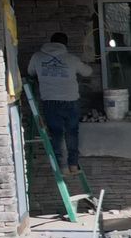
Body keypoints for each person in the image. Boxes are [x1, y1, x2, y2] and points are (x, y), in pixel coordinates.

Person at [25, 32, 92, 172]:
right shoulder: (71, 59)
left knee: (56, 133)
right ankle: (73, 165)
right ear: (65, 44)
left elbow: (30, 72)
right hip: (70, 100)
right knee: (72, 132)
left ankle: (63, 167)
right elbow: (87, 72)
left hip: (50, 101)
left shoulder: (37, 57)